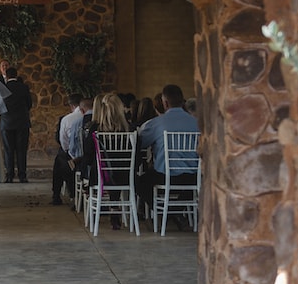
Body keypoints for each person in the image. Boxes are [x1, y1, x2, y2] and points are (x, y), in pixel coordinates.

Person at [135, 84, 201, 227]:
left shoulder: (157, 123)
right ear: (182, 101)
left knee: (139, 182)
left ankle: (167, 212)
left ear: (164, 103)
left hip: (165, 176)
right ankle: (175, 211)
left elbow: (141, 143)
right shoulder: (197, 123)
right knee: (196, 185)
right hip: (193, 176)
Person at [80, 92, 134, 230]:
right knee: (116, 172)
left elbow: (87, 154)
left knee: (104, 171)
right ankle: (115, 211)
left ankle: (105, 211)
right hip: (126, 177)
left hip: (101, 177)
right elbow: (138, 157)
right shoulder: (130, 130)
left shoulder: (95, 129)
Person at [0, 66, 33, 183]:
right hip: (22, 122)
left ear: (7, 76)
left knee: (8, 150)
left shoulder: (2, 88)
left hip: (6, 122)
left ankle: (9, 175)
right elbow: (29, 104)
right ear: (16, 75)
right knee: (21, 150)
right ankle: (22, 175)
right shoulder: (24, 87)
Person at [52, 93, 84, 205]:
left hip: (74, 156)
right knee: (64, 162)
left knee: (60, 162)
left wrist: (67, 152)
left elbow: (62, 140)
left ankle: (57, 195)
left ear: (71, 105)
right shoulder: (96, 117)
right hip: (91, 156)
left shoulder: (67, 119)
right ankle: (72, 193)